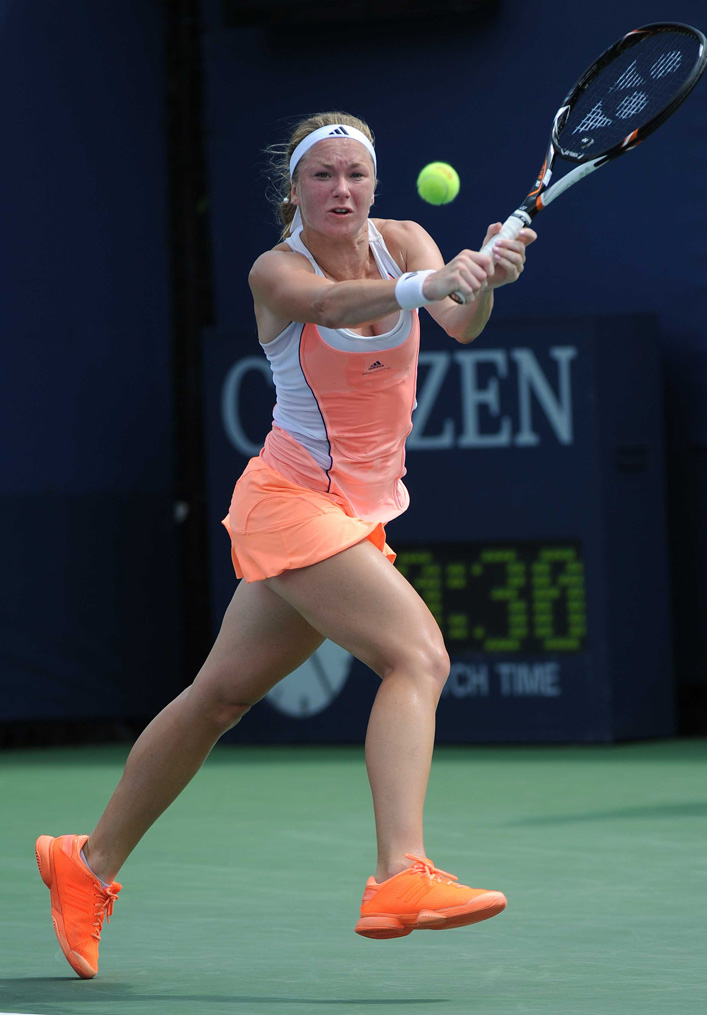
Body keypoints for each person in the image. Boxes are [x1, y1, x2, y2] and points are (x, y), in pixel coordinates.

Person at [35, 111, 536, 978]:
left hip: (358, 512)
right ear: (294, 189)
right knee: (417, 656)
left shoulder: (405, 241)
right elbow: (331, 305)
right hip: (291, 502)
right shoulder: (277, 270)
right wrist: (433, 283)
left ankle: (87, 862)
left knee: (218, 698)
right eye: (322, 176)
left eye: (356, 174)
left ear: (375, 183)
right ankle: (401, 870)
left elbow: (463, 323)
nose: (341, 190)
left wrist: (484, 276)